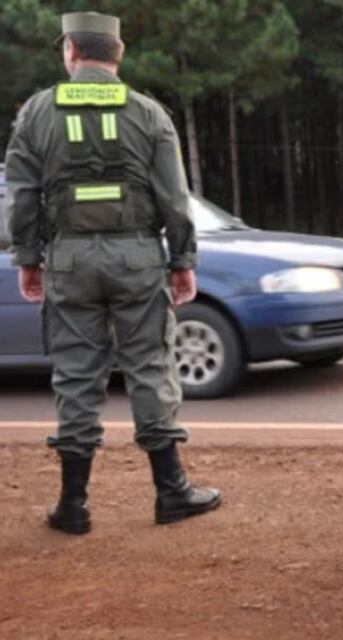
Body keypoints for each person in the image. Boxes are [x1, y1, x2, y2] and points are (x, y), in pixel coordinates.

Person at [4, 12, 221, 534]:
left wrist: (29, 260)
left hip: (70, 261)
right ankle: (171, 493)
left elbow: (23, 195)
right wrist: (182, 261)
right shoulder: (148, 113)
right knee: (149, 366)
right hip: (138, 259)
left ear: (72, 52)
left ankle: (73, 506)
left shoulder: (37, 112)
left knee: (76, 375)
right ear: (116, 55)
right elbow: (174, 198)